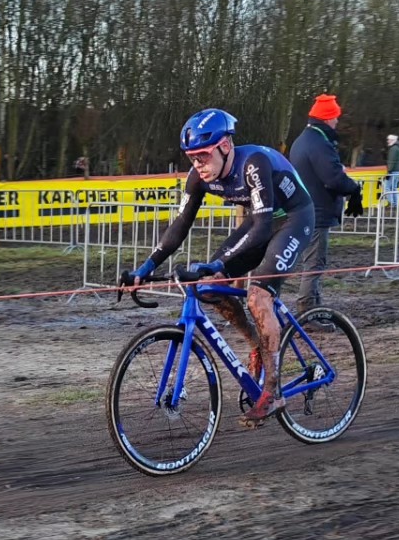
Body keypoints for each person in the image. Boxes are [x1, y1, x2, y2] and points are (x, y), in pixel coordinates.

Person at [120, 108, 315, 425]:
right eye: (191, 157)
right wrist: (145, 268)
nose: (198, 164)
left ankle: (273, 391)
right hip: (260, 220)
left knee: (258, 297)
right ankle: (257, 345)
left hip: (293, 219)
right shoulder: (198, 176)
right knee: (210, 287)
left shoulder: (253, 164)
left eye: (203, 155)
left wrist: (219, 262)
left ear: (225, 146)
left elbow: (263, 228)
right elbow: (180, 226)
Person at [287, 94, 362, 315]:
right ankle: (307, 310)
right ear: (328, 118)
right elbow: (333, 177)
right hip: (316, 212)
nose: (337, 121)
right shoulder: (320, 143)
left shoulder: (302, 140)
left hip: (305, 208)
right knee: (314, 264)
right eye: (335, 117)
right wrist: (354, 189)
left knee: (313, 262)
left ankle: (315, 307)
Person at [384, 133, 399, 208]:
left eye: (388, 140)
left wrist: (389, 171)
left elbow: (391, 161)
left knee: (387, 187)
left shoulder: (393, 149)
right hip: (398, 170)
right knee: (394, 187)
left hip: (392, 171)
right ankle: (396, 203)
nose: (387, 141)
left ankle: (391, 203)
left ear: (392, 140)